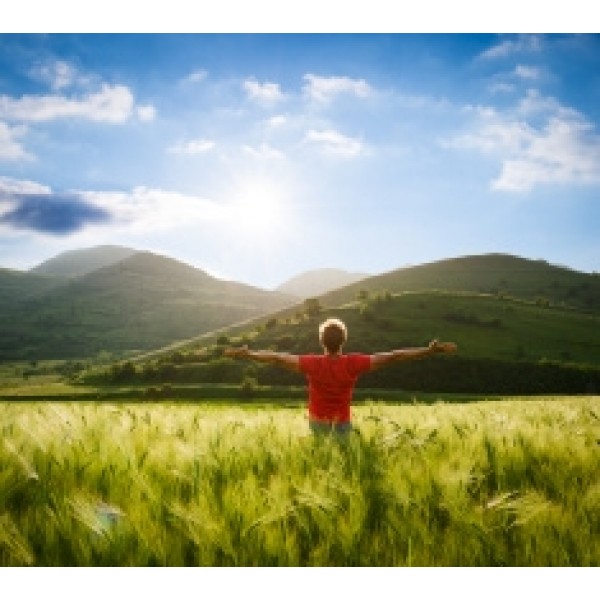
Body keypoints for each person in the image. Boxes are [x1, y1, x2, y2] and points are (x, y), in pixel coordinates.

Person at [224, 317, 457, 434]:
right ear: (344, 340)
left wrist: (249, 354)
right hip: (343, 425)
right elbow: (394, 356)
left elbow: (277, 358)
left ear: (321, 341)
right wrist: (429, 350)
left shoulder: (311, 364)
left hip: (317, 424)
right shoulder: (354, 363)